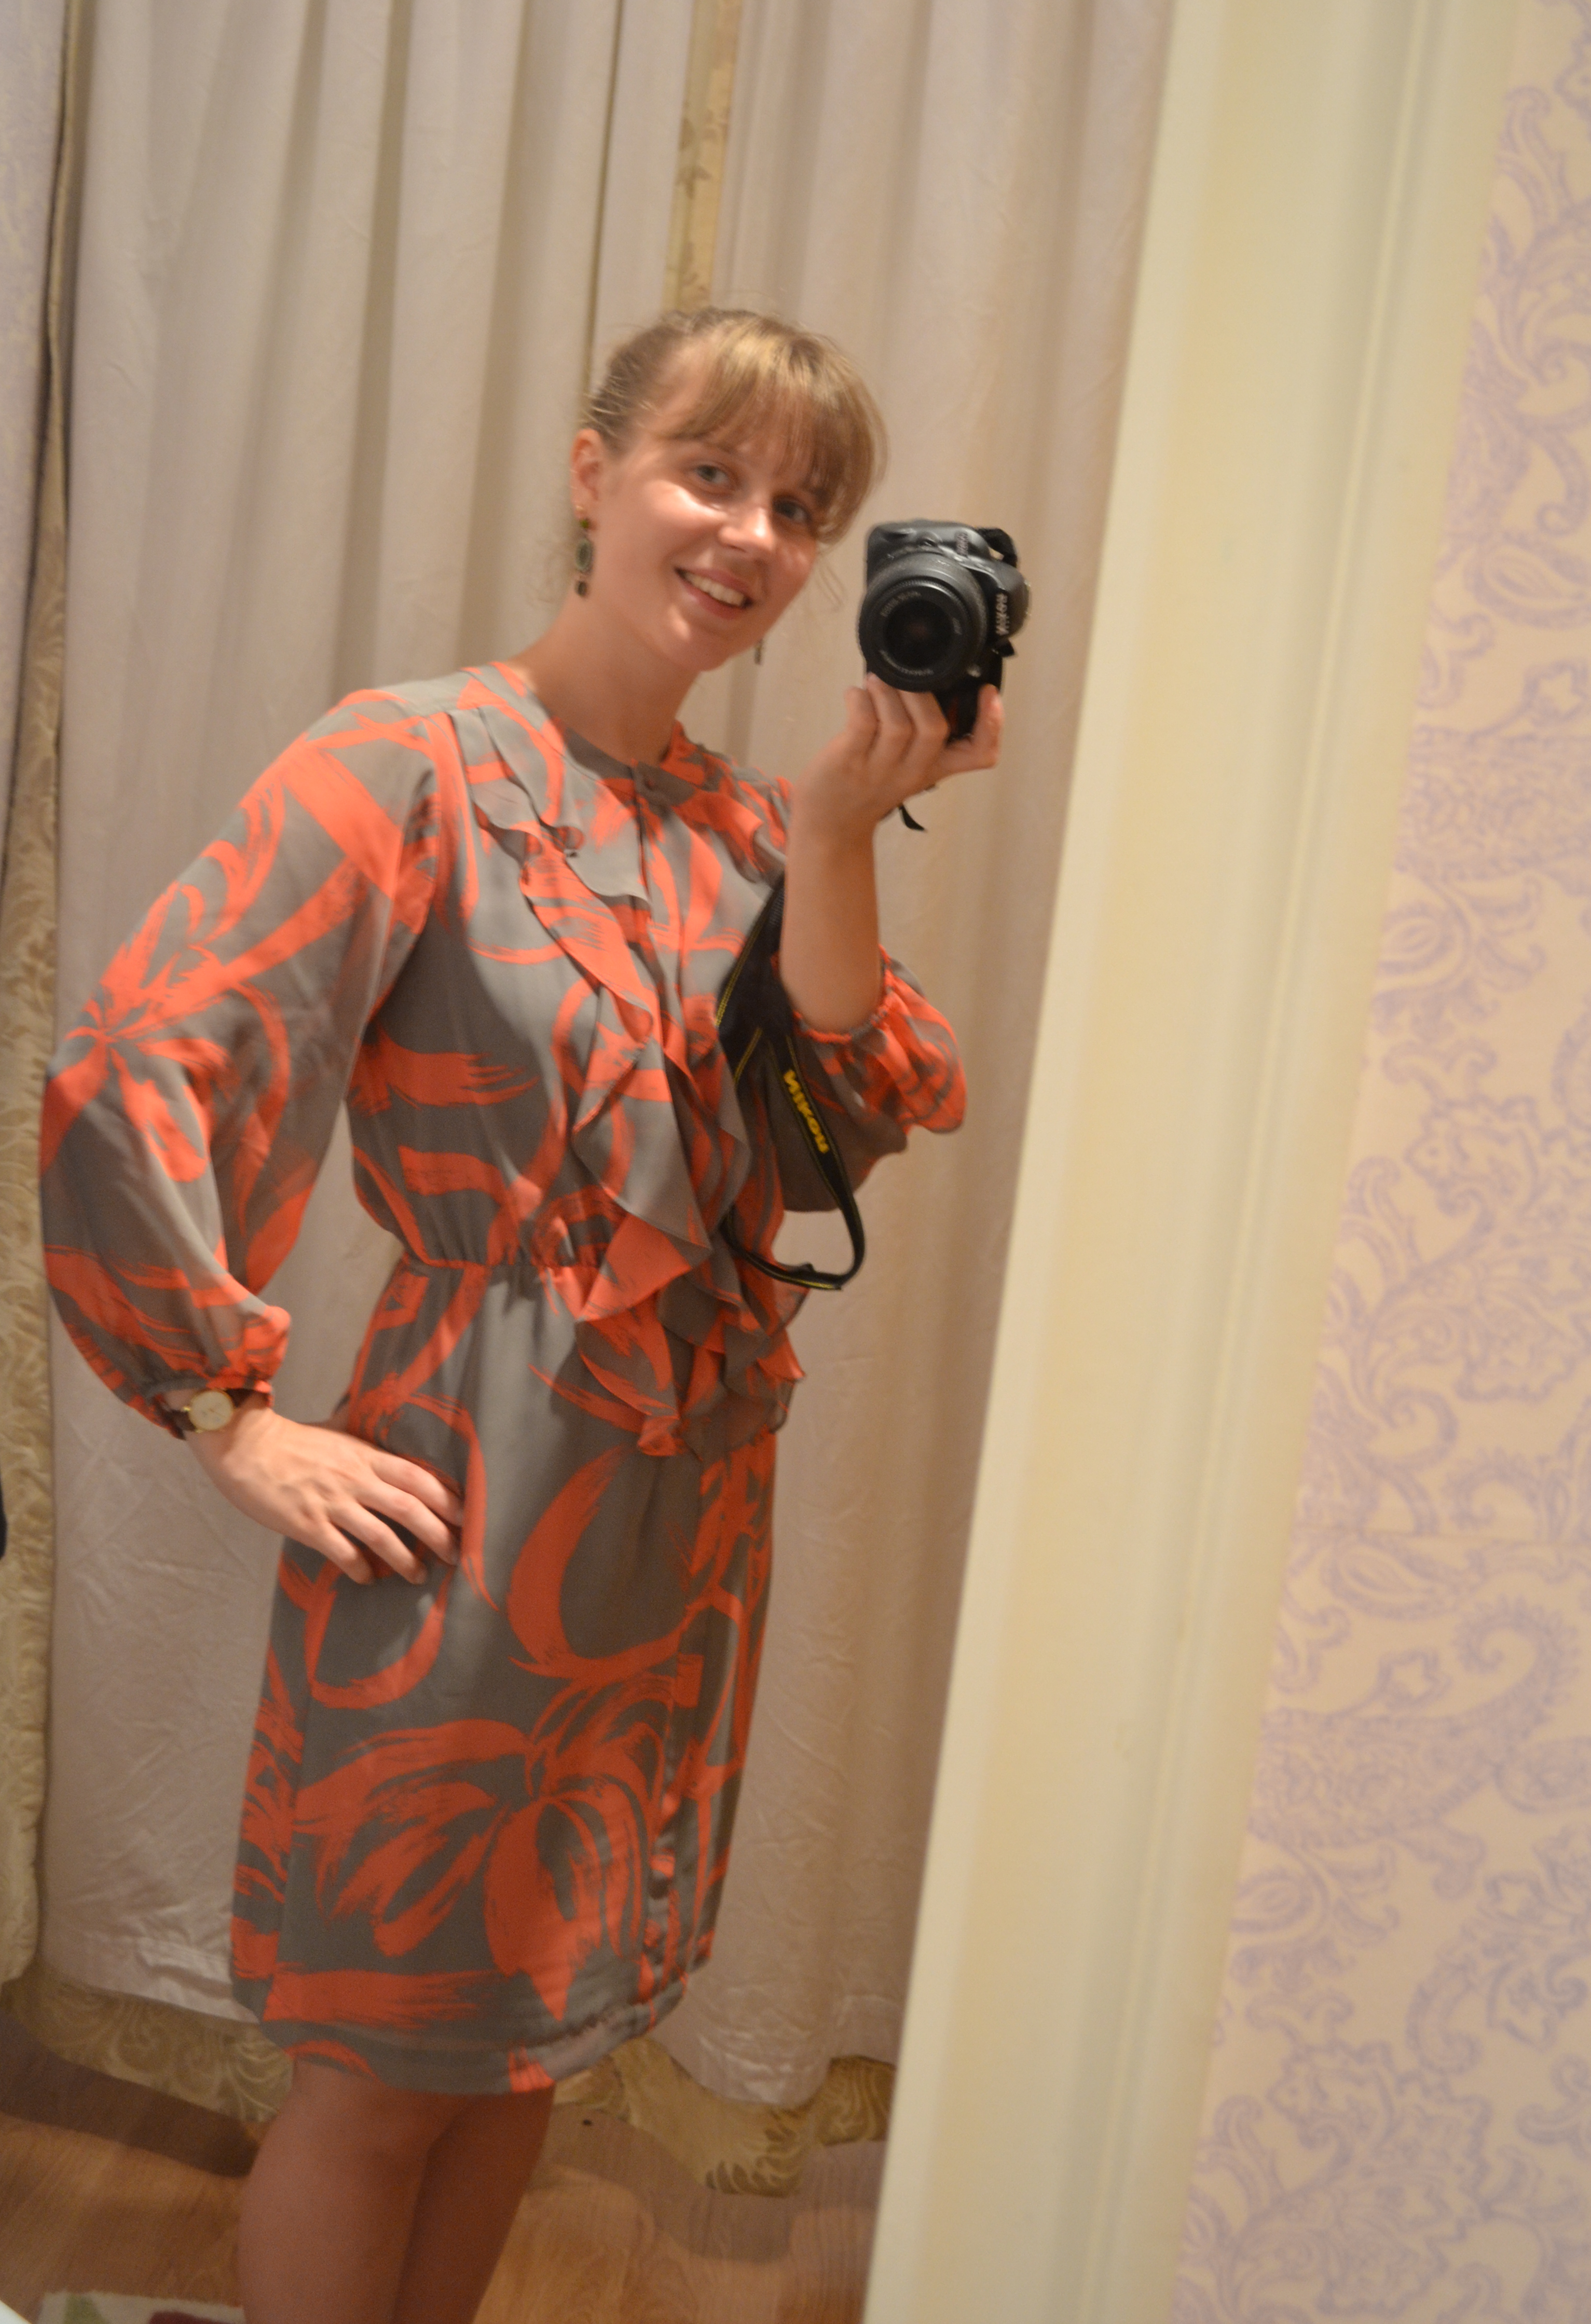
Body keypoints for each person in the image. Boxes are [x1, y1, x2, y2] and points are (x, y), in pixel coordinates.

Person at [39, 307, 1000, 2324]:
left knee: (525, 2061)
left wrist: (839, 832)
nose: (751, 535)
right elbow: (145, 1060)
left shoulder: (753, 834)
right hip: (460, 1501)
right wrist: (229, 1415)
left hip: (679, 1526)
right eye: (707, 473)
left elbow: (825, 1146)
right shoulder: (408, 764)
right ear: (592, 473)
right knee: (381, 2074)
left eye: (802, 506)